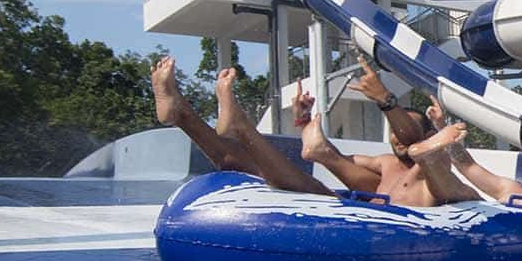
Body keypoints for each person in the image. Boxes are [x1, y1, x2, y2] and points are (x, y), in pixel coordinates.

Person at [149, 54, 471, 207]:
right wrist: (304, 121)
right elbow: (329, 156)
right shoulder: (384, 165)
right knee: (243, 164)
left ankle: (241, 126)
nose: (397, 136)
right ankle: (182, 115)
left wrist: (385, 99)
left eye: (405, 128)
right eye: (393, 131)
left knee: (309, 187)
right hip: (357, 215)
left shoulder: (431, 172)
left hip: (381, 231)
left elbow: (415, 142)